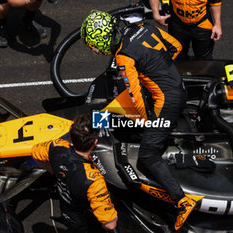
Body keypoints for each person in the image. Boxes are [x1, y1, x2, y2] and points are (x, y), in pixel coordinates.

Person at [80, 11, 196, 231]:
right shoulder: (145, 27)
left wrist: (144, 121)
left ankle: (181, 200)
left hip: (166, 103)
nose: (94, 51)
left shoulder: (123, 55)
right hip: (177, 86)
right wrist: (157, 66)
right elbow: (176, 47)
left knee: (148, 154)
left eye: (93, 46)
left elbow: (135, 96)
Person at [31, 113, 118, 233]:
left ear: (71, 137)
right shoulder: (94, 181)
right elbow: (110, 225)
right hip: (83, 213)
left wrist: (53, 170)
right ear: (95, 142)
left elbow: (34, 152)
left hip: (68, 209)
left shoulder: (56, 147)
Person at [149, 0, 222, 60]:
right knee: (177, 56)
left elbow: (215, 3)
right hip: (177, 24)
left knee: (204, 59)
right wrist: (156, 15)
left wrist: (217, 25)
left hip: (202, 24)